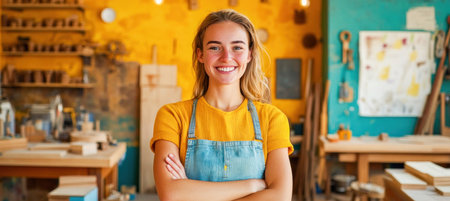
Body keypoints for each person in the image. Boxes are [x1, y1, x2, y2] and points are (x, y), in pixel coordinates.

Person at [150, 9, 293, 201]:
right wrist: (254, 186)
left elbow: (280, 197)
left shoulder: (272, 119)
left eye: (237, 47)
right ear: (200, 54)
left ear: (250, 54)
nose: (226, 57)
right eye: (215, 48)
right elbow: (171, 194)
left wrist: (192, 192)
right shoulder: (173, 116)